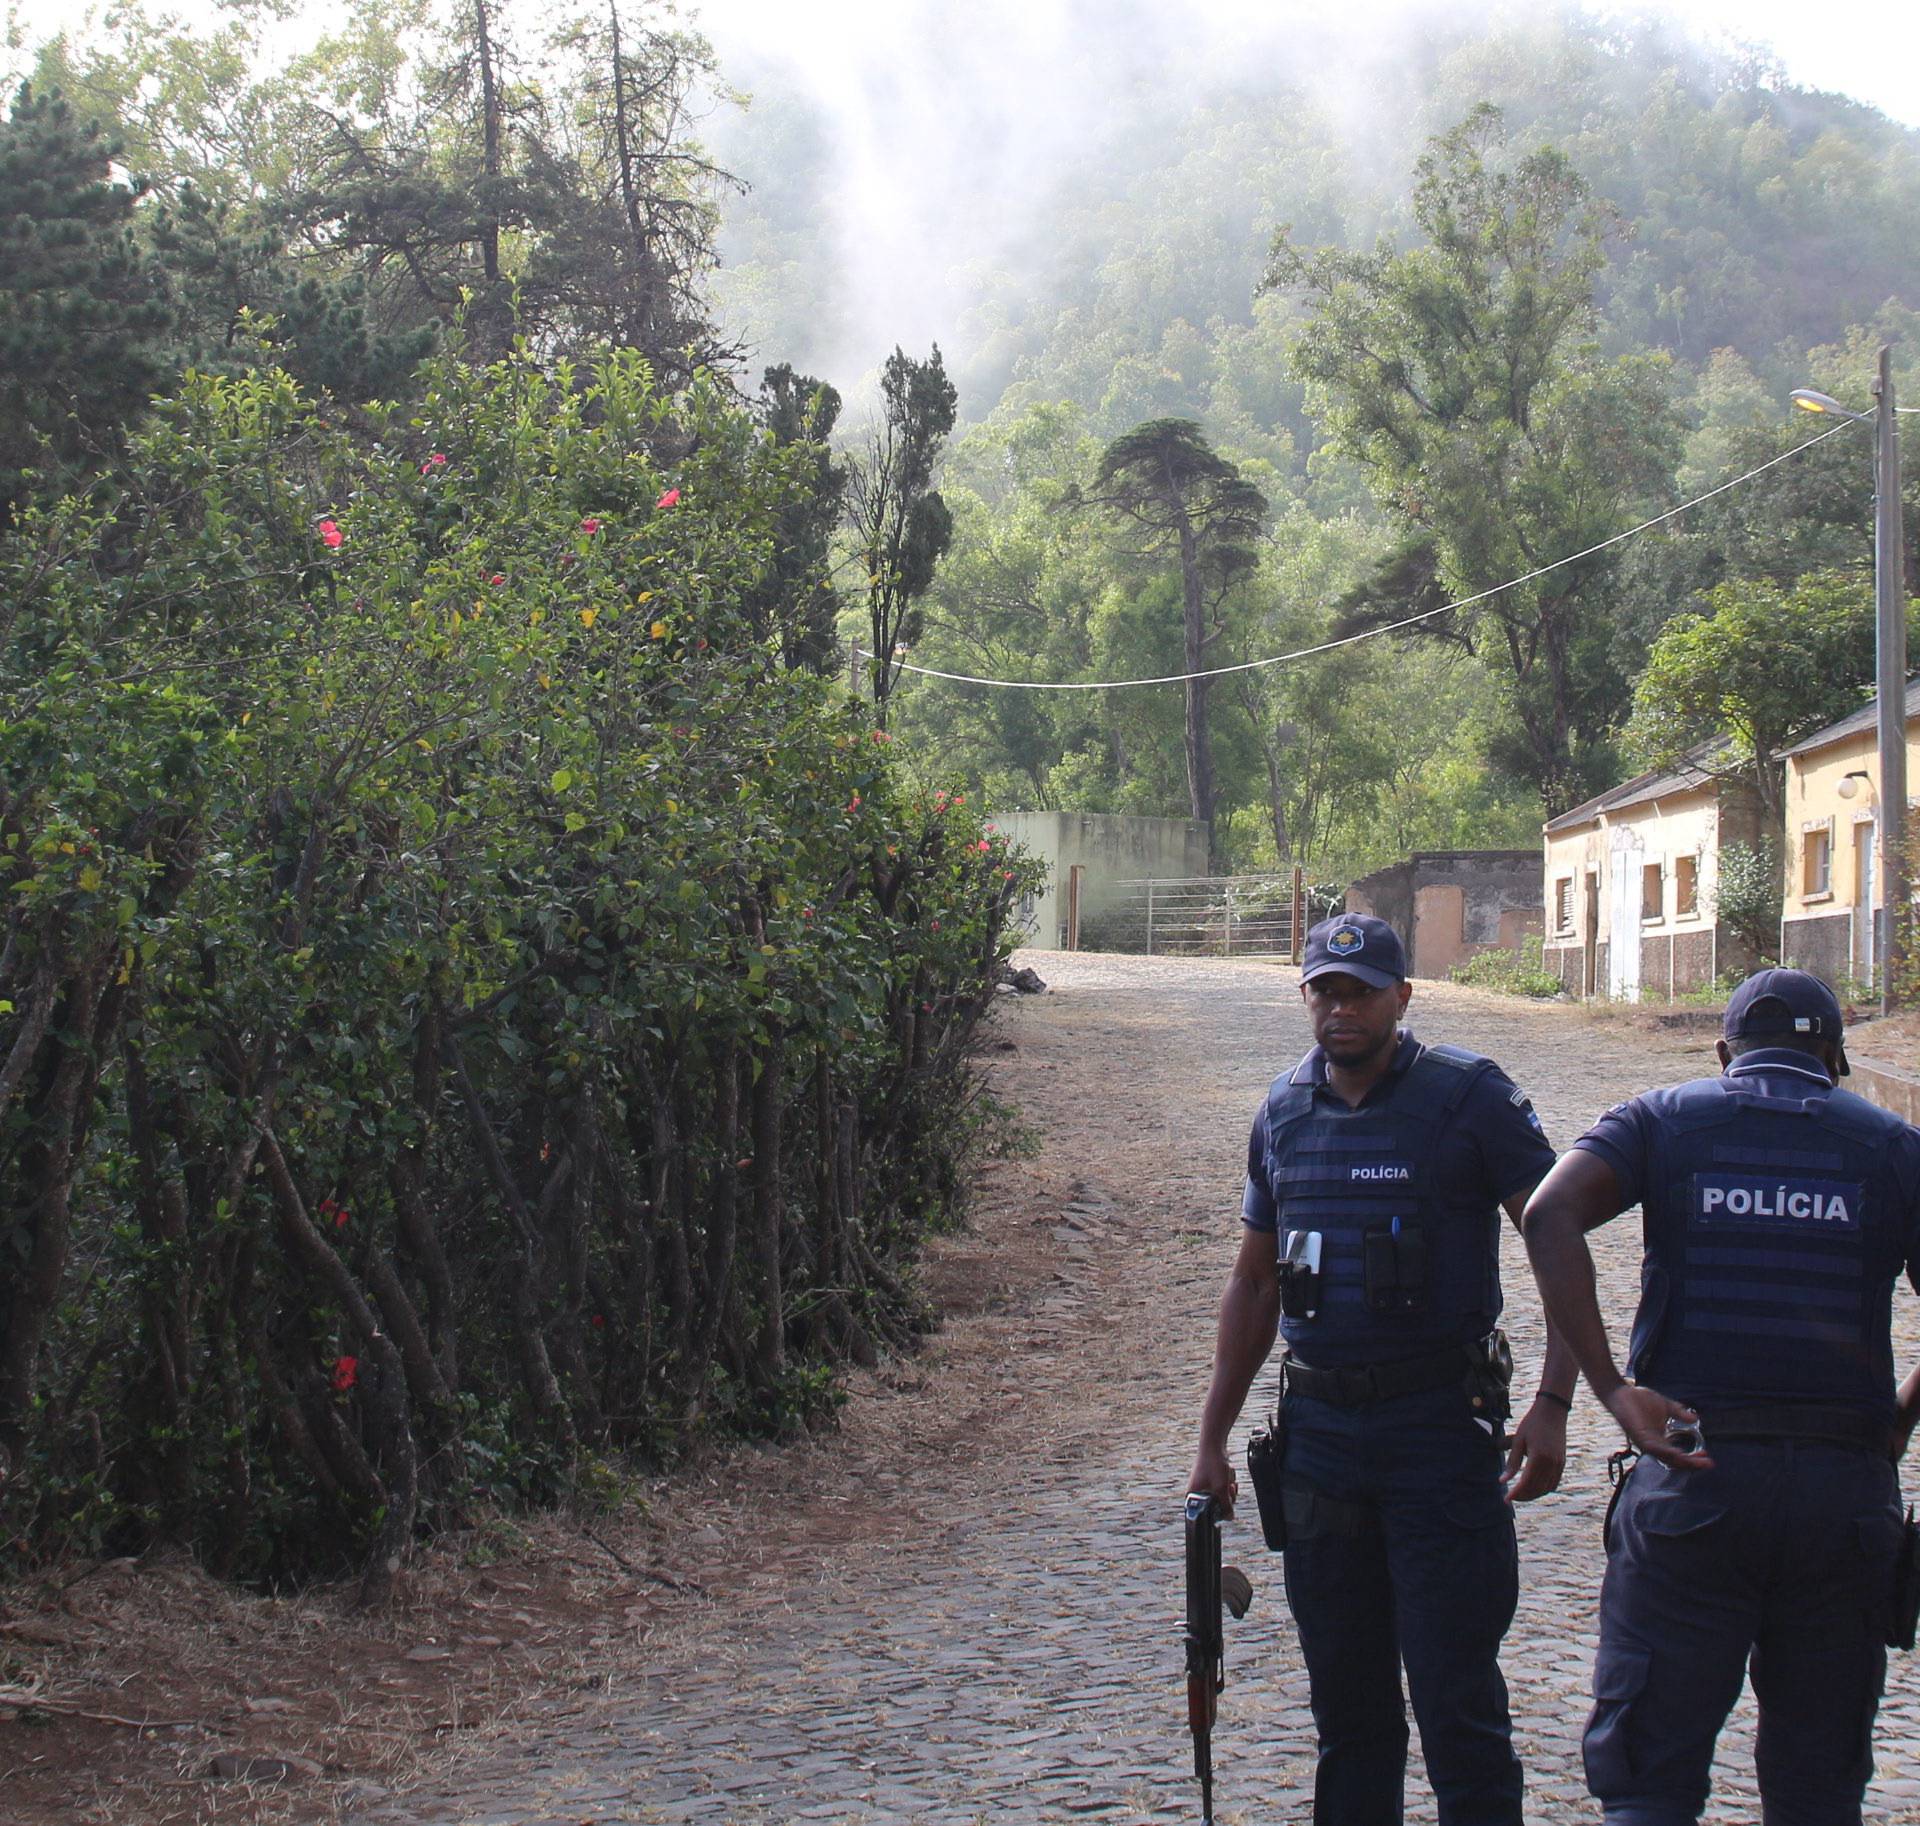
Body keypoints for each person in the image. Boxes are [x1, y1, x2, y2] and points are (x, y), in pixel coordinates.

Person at [1186, 912, 1576, 1826]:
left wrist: (1556, 1400)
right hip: (1323, 1444)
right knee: (1350, 1720)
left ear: (1403, 997)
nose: (1342, 1009)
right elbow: (1252, 1284)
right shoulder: (1282, 1112)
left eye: (1362, 992)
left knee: (1457, 1708)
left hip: (1439, 1435)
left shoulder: (1469, 1099)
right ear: (1306, 997)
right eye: (1326, 990)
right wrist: (1209, 1438)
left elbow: (1558, 1243)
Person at [1523, 967, 1920, 1826]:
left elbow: (1548, 1213)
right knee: (1819, 1789)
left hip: (1693, 1475)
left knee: (1648, 1783)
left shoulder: (1662, 1121)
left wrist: (1611, 1388)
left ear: (1722, 1050)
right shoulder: (1891, 1148)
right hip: (1842, 1500)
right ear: (1837, 1057)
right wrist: (1897, 1421)